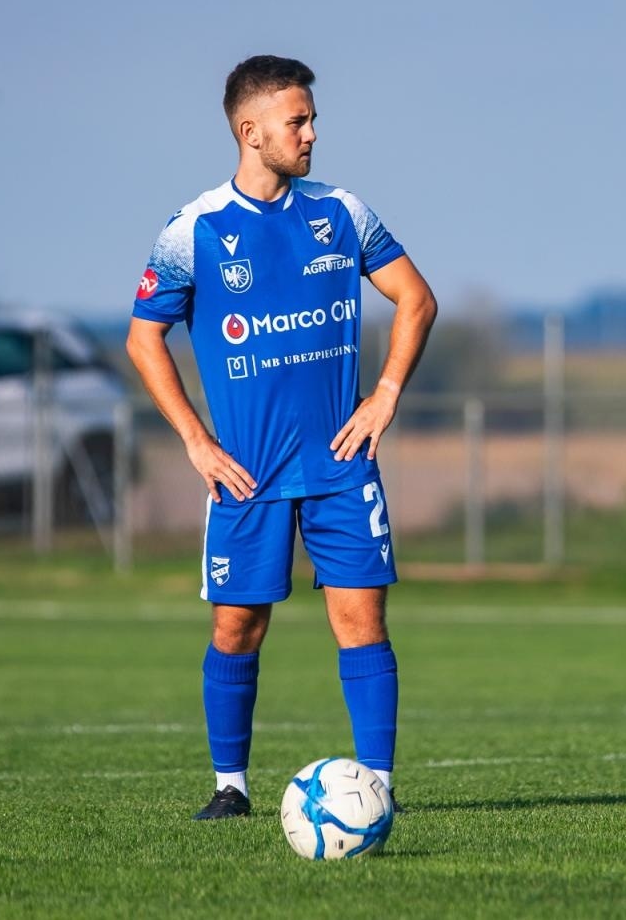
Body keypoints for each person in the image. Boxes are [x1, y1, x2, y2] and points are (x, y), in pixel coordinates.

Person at [127, 55, 437, 820]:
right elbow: (142, 339)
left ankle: (376, 792)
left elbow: (416, 300)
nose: (311, 133)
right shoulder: (193, 230)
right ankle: (230, 786)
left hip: (341, 466)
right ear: (250, 129)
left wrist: (385, 395)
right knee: (238, 625)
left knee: (363, 620)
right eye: (297, 120)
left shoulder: (342, 213)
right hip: (246, 473)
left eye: (310, 118)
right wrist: (197, 441)